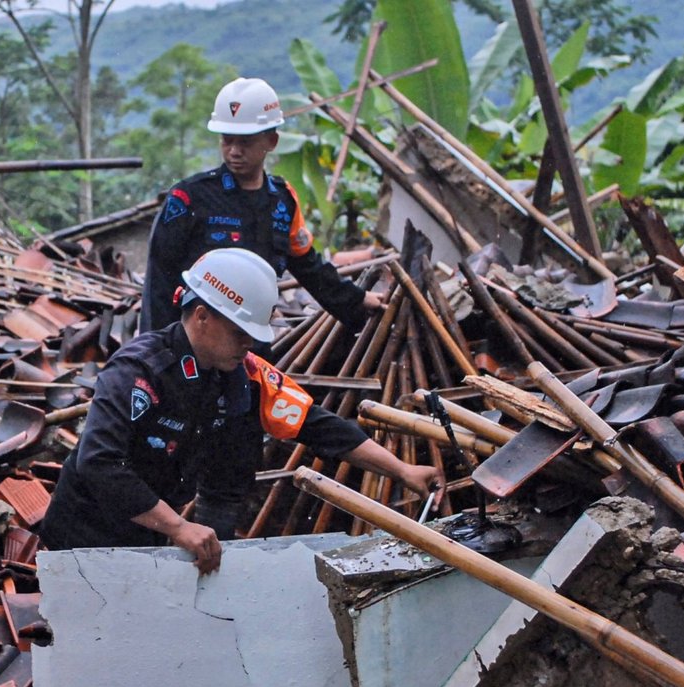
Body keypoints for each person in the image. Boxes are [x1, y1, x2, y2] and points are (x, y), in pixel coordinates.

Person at [40, 248, 440, 574]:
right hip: (84, 533)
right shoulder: (138, 371)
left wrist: (403, 470)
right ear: (202, 316)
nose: (248, 344)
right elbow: (99, 462)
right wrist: (179, 527)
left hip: (151, 535)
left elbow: (315, 425)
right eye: (240, 333)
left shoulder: (243, 375)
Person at [139, 77, 385, 337]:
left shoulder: (282, 202)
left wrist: (358, 300)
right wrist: (156, 351)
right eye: (227, 140)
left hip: (252, 345)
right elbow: (159, 282)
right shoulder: (188, 198)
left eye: (245, 142)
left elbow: (309, 267)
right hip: (197, 344)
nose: (234, 151)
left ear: (271, 141)